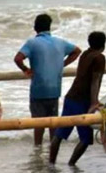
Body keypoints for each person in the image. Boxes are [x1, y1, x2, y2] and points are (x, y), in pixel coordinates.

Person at [13, 13, 81, 146]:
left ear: (35, 28)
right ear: (49, 27)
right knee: (53, 123)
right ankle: (52, 150)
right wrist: (62, 64)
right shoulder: (60, 42)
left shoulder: (32, 43)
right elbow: (77, 51)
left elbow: (17, 58)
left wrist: (26, 70)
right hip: (54, 89)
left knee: (38, 124)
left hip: (38, 89)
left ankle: (37, 150)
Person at [50, 31, 106, 166]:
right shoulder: (99, 58)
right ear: (103, 44)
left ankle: (51, 164)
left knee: (59, 134)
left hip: (71, 98)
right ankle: (71, 164)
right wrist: (94, 102)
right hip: (83, 101)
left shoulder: (85, 54)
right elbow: (95, 80)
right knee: (86, 138)